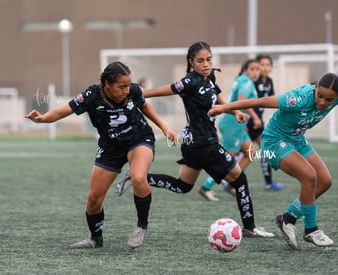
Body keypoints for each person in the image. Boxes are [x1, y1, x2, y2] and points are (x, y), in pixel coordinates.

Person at [208, 72, 338, 248]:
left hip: (297, 140)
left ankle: (289, 218)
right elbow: (259, 102)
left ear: (337, 96)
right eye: (320, 96)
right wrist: (225, 108)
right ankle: (311, 230)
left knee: (325, 181)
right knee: (309, 176)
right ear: (315, 89)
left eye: (329, 100)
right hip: (274, 140)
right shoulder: (298, 99)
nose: (323, 102)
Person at [116, 41, 275, 238]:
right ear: (191, 62)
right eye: (200, 61)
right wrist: (135, 92)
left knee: (183, 186)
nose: (206, 64)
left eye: (208, 59)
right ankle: (250, 227)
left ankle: (137, 178)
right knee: (240, 179)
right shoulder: (189, 82)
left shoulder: (209, 77)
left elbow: (216, 98)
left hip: (192, 144)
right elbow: (163, 90)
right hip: (204, 143)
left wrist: (234, 111)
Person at [25, 61, 176, 249]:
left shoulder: (134, 92)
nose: (127, 90)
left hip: (139, 139)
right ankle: (95, 238)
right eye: (121, 87)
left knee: (138, 177)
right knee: (94, 199)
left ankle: (141, 226)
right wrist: (42, 118)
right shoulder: (91, 96)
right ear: (106, 84)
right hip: (110, 147)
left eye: (128, 85)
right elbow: (62, 111)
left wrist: (165, 128)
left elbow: (145, 107)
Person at [198, 59, 262, 201]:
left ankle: (230, 183)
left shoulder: (242, 80)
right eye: (252, 69)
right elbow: (242, 102)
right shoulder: (246, 82)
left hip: (236, 123)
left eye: (258, 69)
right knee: (227, 159)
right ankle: (206, 187)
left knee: (250, 153)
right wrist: (255, 117)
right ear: (245, 70)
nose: (256, 72)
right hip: (232, 123)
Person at [248, 54, 284, 191]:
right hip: (248, 121)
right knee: (241, 153)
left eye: (268, 65)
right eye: (262, 65)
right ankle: (223, 181)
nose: (265, 67)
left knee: (265, 151)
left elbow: (272, 100)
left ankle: (268, 183)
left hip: (258, 122)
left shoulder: (269, 81)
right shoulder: (252, 81)